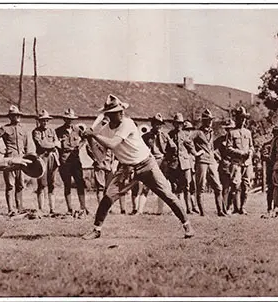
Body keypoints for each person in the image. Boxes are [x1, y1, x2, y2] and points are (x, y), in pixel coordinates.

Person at [81, 94, 194, 240]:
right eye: (117, 112)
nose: (121, 113)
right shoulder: (105, 131)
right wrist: (90, 139)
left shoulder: (127, 123)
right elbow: (101, 156)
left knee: (168, 195)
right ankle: (96, 230)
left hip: (147, 164)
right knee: (108, 197)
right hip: (127, 169)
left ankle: (187, 226)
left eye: (121, 110)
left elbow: (113, 144)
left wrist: (94, 135)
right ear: (108, 115)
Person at [191, 109, 226, 217]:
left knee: (218, 187)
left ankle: (220, 211)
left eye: (211, 120)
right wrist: (195, 153)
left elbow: (210, 147)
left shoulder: (211, 132)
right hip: (201, 161)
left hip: (211, 161)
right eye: (208, 120)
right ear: (203, 121)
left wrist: (216, 156)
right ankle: (202, 212)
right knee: (200, 187)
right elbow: (187, 141)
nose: (210, 122)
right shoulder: (197, 132)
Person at [0, 105, 29, 216]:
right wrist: (1, 150)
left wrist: (27, 157)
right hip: (10, 159)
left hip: (21, 159)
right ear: (10, 117)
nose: (17, 117)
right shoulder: (5, 129)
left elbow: (26, 146)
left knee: (20, 184)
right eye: (15, 115)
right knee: (10, 185)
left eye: (18, 115)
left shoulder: (23, 129)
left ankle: (20, 208)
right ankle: (11, 209)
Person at [139, 113, 174, 215]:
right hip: (149, 162)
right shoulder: (145, 137)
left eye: (160, 124)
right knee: (145, 186)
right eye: (156, 124)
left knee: (163, 186)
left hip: (162, 163)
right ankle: (139, 210)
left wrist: (168, 159)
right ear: (152, 124)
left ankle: (160, 210)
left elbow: (173, 147)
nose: (158, 126)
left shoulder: (164, 136)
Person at [56, 108, 88, 217]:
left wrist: (80, 145)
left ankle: (83, 208)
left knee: (80, 182)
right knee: (67, 184)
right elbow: (55, 144)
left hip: (75, 159)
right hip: (64, 160)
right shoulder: (58, 131)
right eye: (67, 119)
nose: (69, 121)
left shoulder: (78, 130)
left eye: (71, 119)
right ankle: (69, 209)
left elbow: (85, 138)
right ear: (64, 119)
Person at [167, 113, 198, 214]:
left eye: (180, 123)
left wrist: (196, 154)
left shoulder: (185, 135)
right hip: (174, 163)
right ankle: (177, 208)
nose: (178, 125)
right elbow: (166, 149)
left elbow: (191, 147)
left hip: (185, 164)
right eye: (176, 123)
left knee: (186, 186)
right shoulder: (169, 135)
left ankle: (189, 209)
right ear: (174, 123)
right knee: (175, 186)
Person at [226, 106, 254, 215]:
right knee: (234, 185)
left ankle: (242, 207)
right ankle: (230, 207)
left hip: (247, 163)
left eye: (244, 118)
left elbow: (251, 146)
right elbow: (228, 148)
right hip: (236, 163)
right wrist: (241, 153)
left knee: (246, 187)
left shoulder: (248, 132)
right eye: (240, 118)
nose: (242, 120)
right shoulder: (232, 133)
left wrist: (250, 152)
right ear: (237, 118)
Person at [32, 109, 60, 216]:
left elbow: (58, 143)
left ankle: (52, 209)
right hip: (42, 158)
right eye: (43, 120)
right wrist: (53, 144)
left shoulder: (52, 131)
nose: (45, 122)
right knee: (42, 184)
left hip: (52, 158)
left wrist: (53, 144)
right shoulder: (36, 132)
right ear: (39, 121)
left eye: (47, 120)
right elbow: (41, 145)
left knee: (52, 183)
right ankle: (41, 209)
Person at [213, 118, 236, 213]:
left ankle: (231, 206)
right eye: (227, 129)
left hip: (235, 164)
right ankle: (224, 208)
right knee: (225, 187)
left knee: (235, 186)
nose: (229, 130)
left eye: (231, 129)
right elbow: (212, 149)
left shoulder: (235, 140)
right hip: (224, 165)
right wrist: (219, 158)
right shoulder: (220, 140)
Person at [261, 127, 278, 212]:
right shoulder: (267, 145)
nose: (277, 135)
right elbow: (263, 156)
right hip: (271, 169)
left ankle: (277, 206)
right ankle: (269, 207)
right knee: (270, 188)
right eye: (276, 133)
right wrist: (273, 159)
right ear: (273, 134)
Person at [183, 120, 200, 214]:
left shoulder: (192, 139)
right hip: (186, 165)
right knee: (187, 186)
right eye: (186, 129)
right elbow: (194, 152)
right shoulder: (185, 139)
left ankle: (194, 206)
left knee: (193, 187)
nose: (188, 131)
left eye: (189, 129)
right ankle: (189, 208)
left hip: (192, 164)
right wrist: (199, 153)